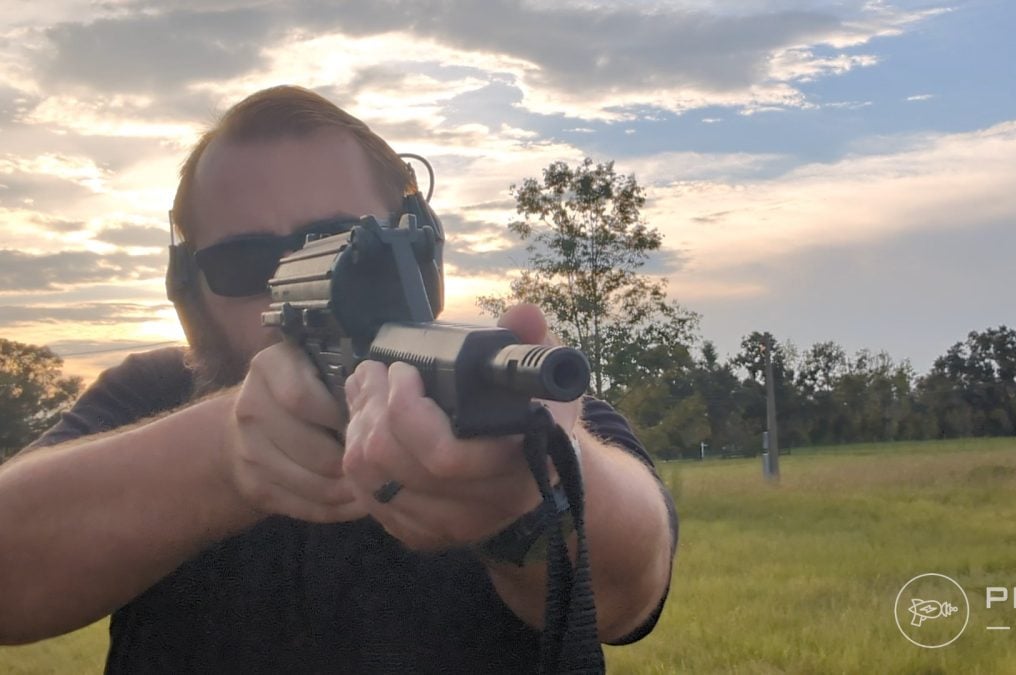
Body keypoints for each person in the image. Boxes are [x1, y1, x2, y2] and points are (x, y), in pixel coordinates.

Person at [0, 86, 676, 672]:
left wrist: (531, 499)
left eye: (340, 244)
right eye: (243, 263)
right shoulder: (151, 392)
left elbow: (630, 584)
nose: (292, 286)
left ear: (417, 253)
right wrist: (224, 455)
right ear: (190, 291)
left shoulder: (486, 381)